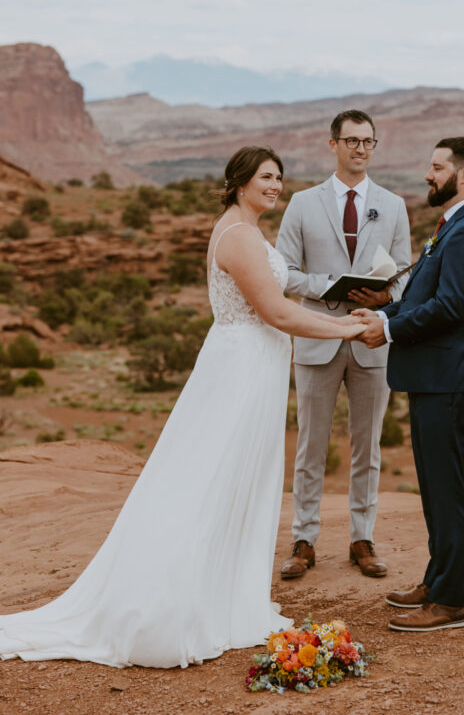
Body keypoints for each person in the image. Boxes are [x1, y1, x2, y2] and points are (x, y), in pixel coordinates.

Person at [0, 146, 364, 669]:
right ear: (240, 182)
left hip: (255, 366)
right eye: (265, 176)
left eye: (279, 177)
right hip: (240, 370)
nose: (275, 185)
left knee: (241, 477)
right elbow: (277, 311)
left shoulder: (246, 230)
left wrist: (343, 323)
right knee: (212, 476)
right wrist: (348, 327)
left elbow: (280, 308)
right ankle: (172, 604)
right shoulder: (238, 237)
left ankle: (222, 596)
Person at [353, 136, 464, 632]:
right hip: (434, 377)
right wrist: (381, 311)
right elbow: (421, 296)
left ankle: (455, 601)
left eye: (436, 167)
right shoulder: (451, 225)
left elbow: (452, 307)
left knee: (449, 491)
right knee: (435, 490)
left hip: (453, 379)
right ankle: (437, 582)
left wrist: (389, 329)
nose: (427, 174)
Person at [276, 110, 411, 580]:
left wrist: (385, 295)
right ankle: (303, 539)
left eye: (367, 141)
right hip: (317, 339)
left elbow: (407, 271)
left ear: (375, 146)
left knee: (366, 447)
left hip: (372, 341)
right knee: (311, 445)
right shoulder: (302, 203)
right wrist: (328, 285)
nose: (360, 148)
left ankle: (362, 538)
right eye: (351, 140)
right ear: (332, 144)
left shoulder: (393, 205)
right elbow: (285, 272)